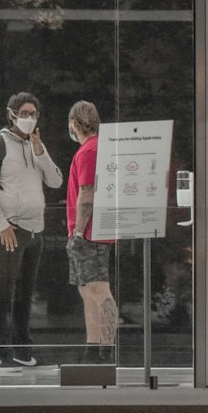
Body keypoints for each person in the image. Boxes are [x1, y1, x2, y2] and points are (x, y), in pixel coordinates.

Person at [0, 91, 63, 373]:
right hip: (8, 230)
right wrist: (2, 225)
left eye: (33, 114)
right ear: (11, 114)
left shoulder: (35, 146)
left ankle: (23, 351)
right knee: (3, 289)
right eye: (24, 113)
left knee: (25, 293)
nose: (29, 118)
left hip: (34, 230)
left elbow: (55, 181)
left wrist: (40, 151)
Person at [66, 100, 119, 363]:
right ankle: (94, 346)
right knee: (87, 290)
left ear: (75, 123)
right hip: (95, 230)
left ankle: (106, 350)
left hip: (89, 232)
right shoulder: (99, 148)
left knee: (98, 289)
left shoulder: (89, 151)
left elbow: (87, 192)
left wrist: (77, 230)